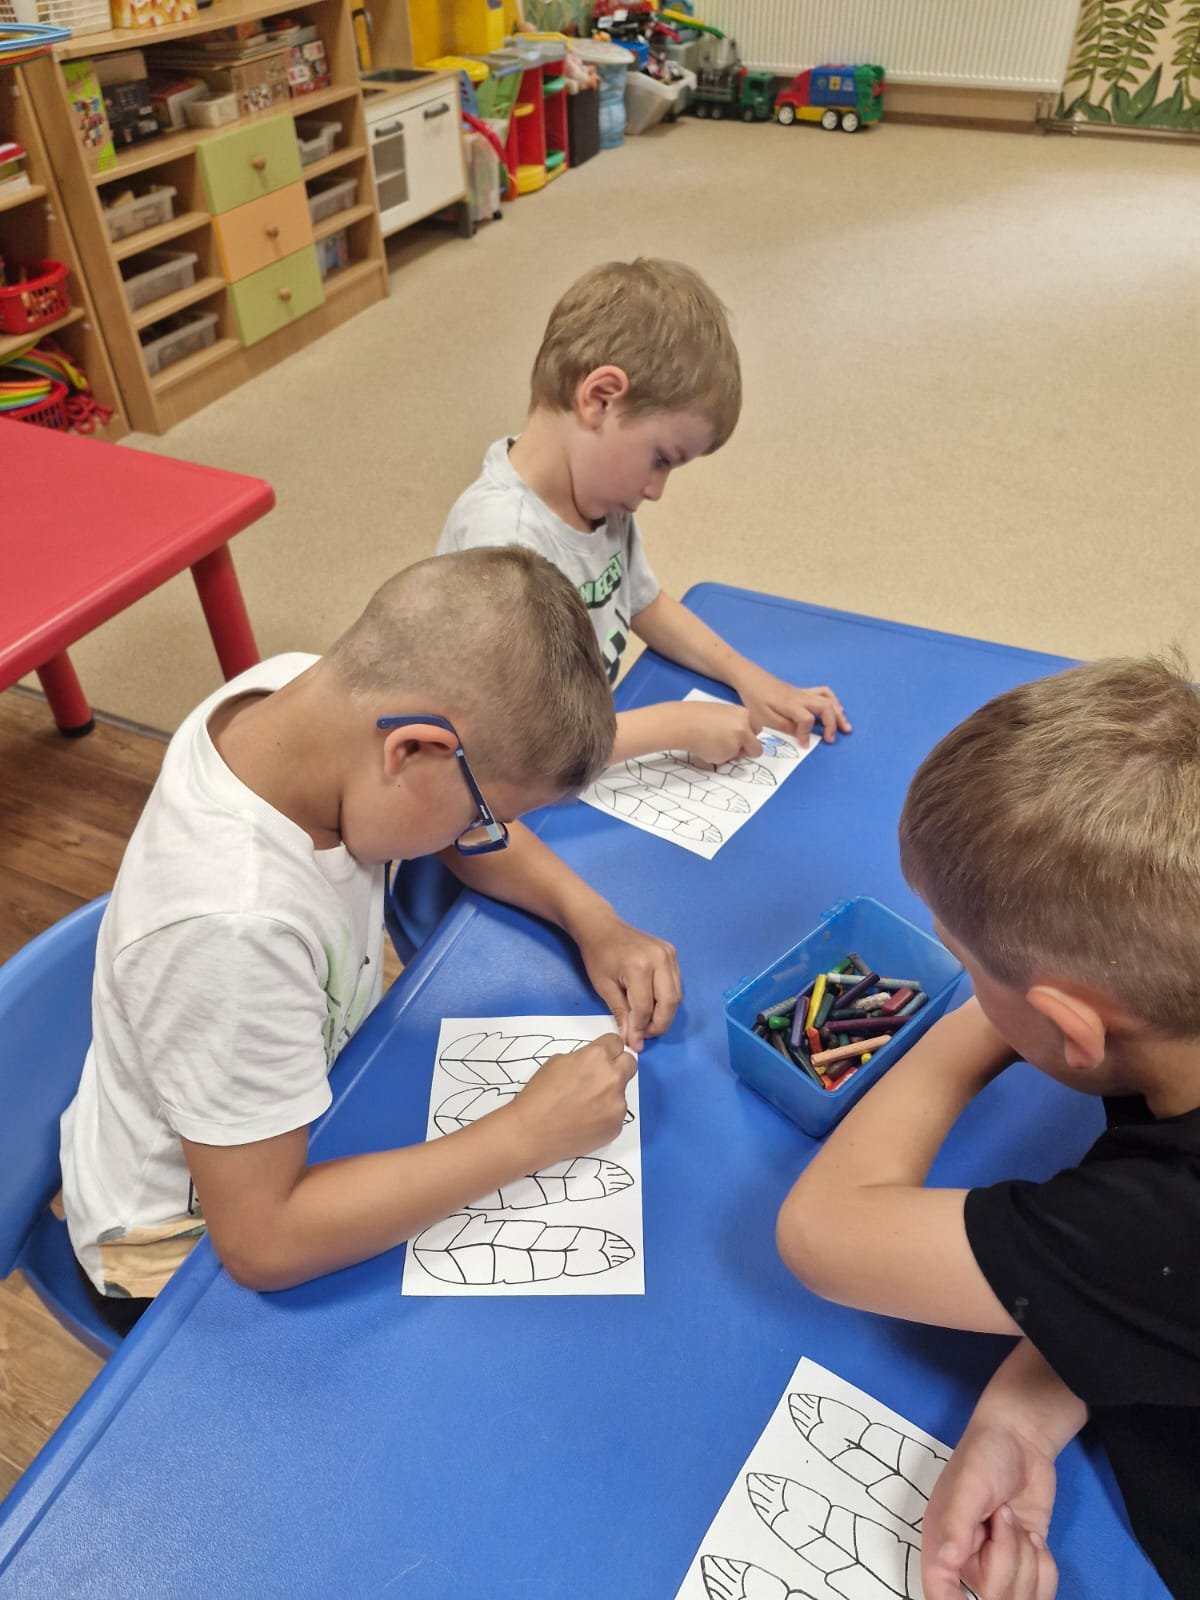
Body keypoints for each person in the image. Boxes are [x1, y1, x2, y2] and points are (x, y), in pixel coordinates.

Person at [61, 548, 680, 1333]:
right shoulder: (233, 927)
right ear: (411, 750)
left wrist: (594, 921)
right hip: (174, 1250)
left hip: (289, 1118)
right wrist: (530, 1133)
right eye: (482, 818)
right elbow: (262, 1241)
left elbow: (441, 818)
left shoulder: (301, 698)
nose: (479, 838)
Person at [775, 655, 1200, 1600]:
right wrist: (1019, 1417)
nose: (964, 983)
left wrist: (976, 1027)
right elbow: (1150, 1307)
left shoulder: (1158, 1223)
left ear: (1071, 1027)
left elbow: (819, 1234)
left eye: (964, 963)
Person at [438, 257, 850, 763]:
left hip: (588, 734)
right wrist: (677, 726)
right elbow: (522, 747)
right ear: (600, 399)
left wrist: (749, 677)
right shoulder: (501, 539)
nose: (656, 491)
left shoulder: (597, 494)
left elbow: (641, 602)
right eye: (660, 459)